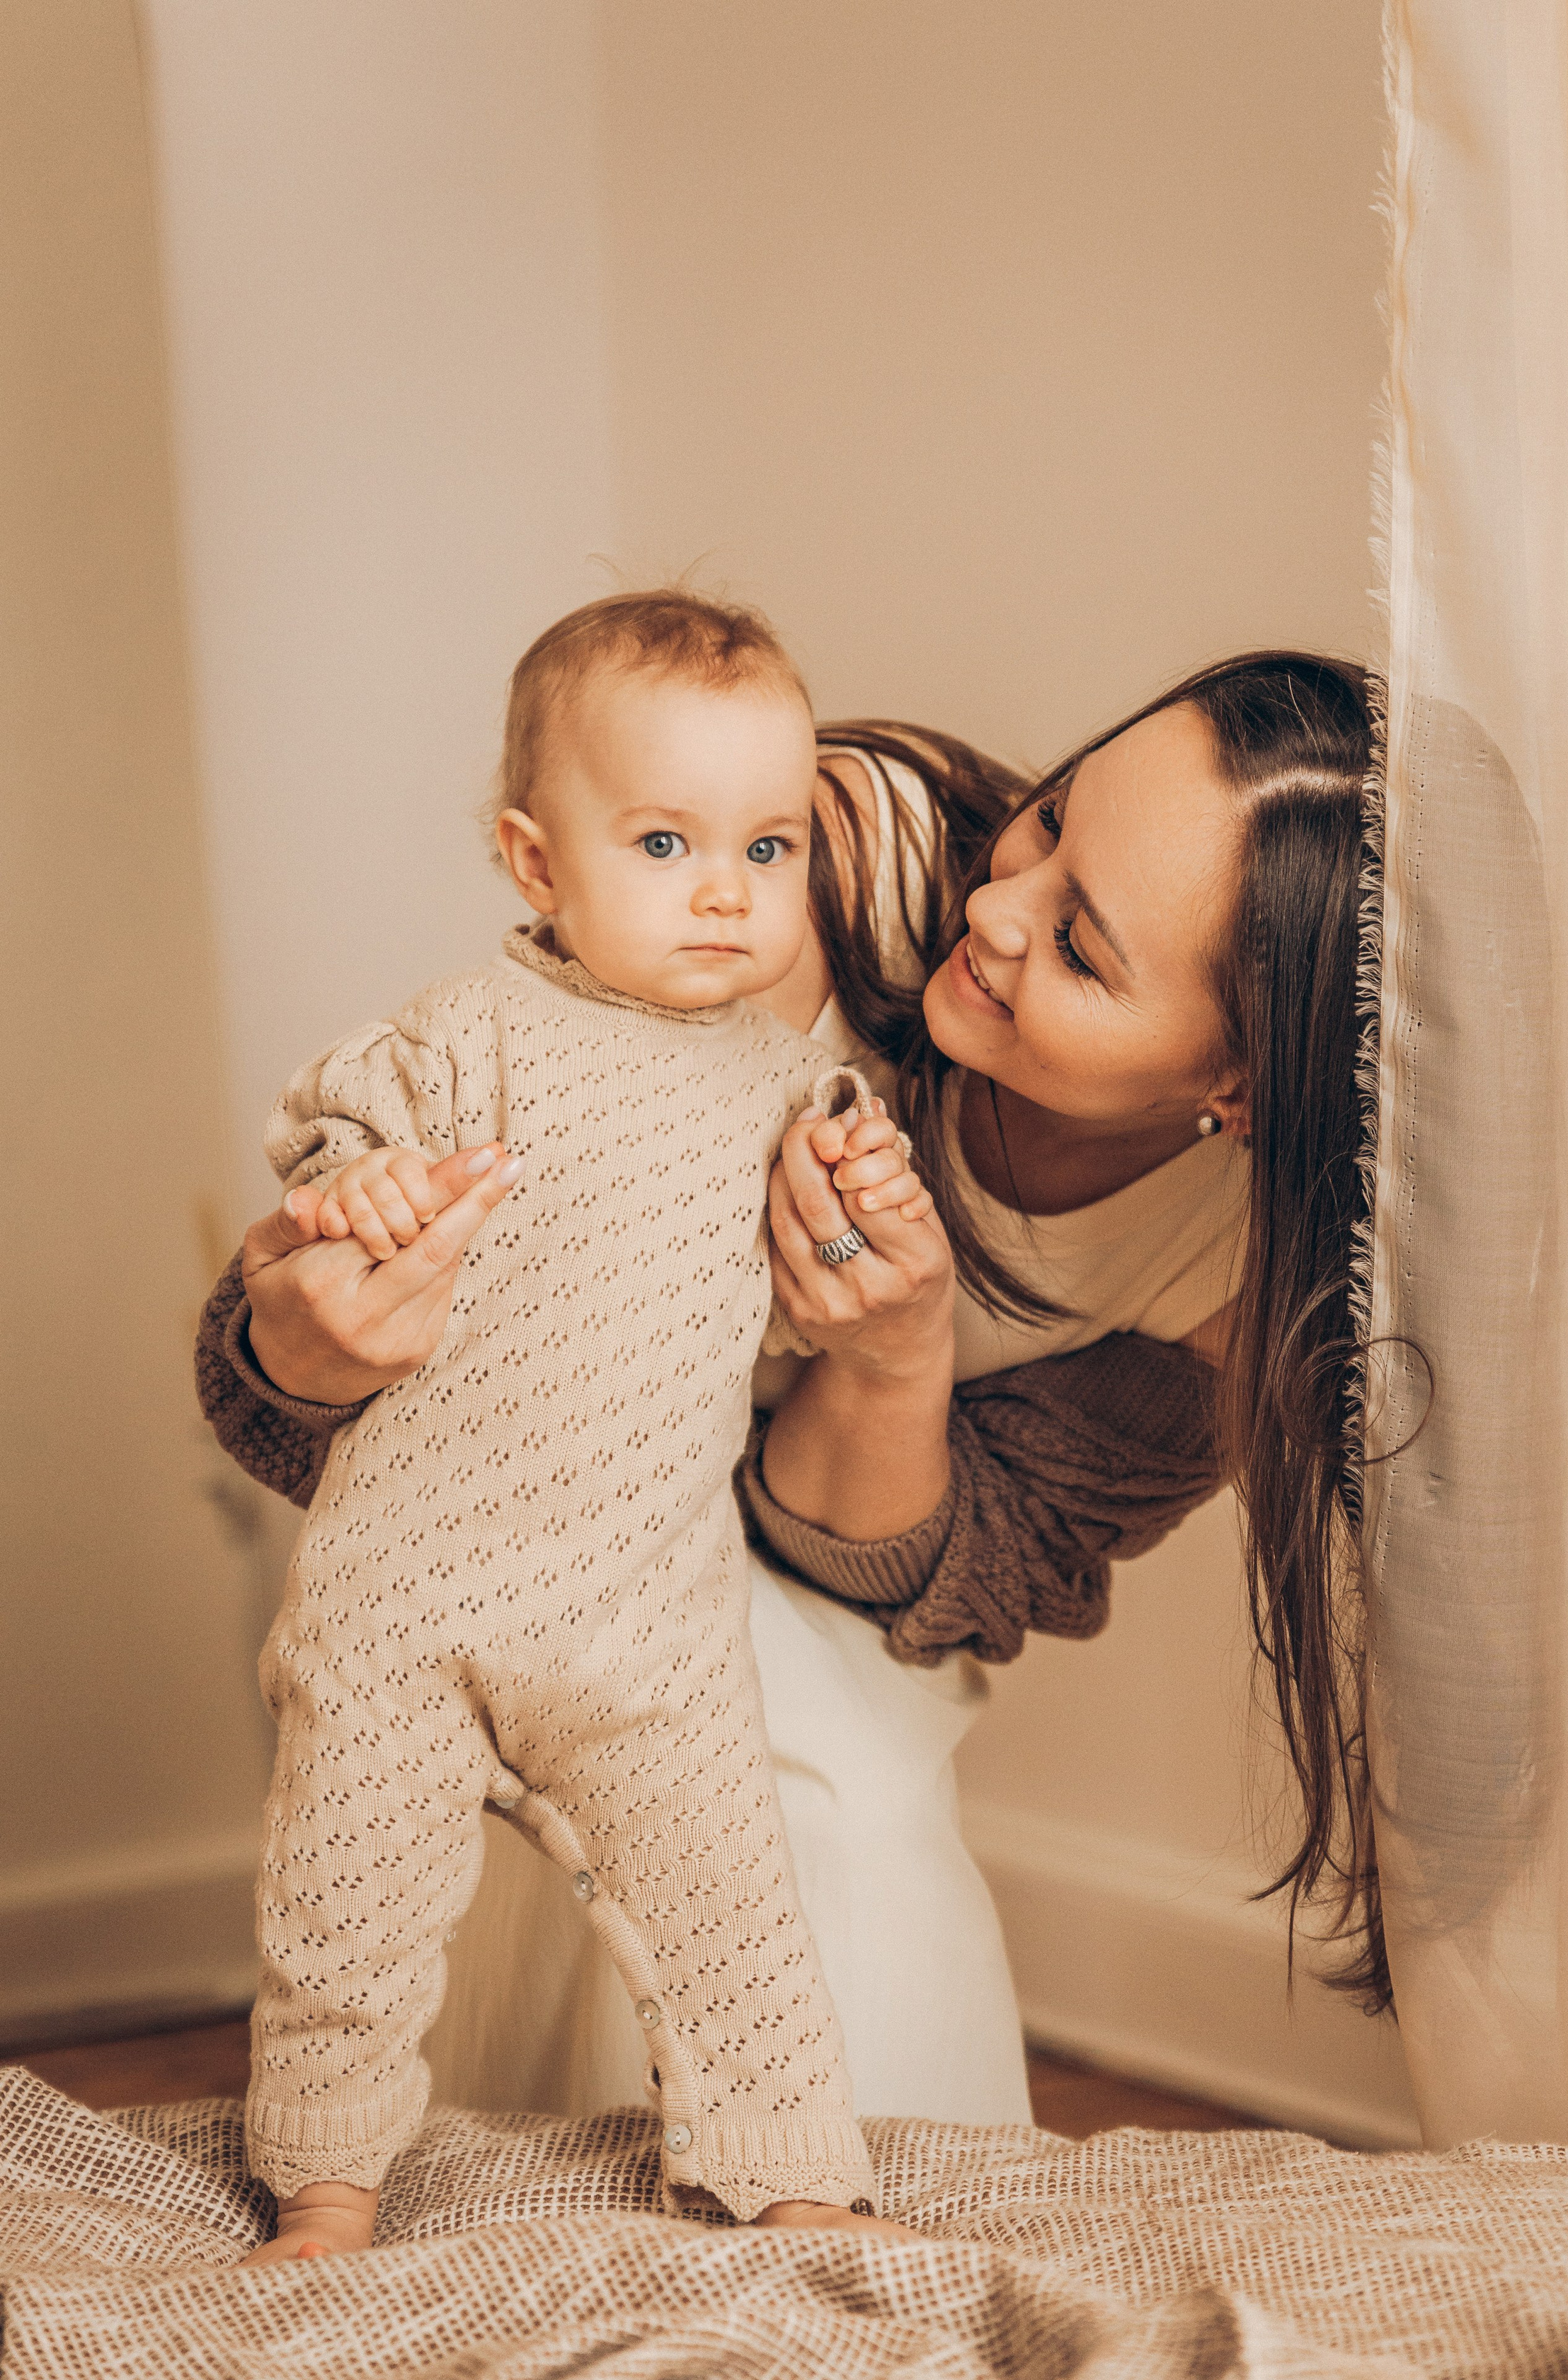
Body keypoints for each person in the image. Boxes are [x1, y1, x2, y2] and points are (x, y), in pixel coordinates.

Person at [198, 648, 1382, 2140]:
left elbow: (924, 1580)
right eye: (1050, 819)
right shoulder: (816, 866)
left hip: (810, 1571)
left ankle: (850, 2231)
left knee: (826, 1794)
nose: (997, 910)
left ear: (1237, 1085)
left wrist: (889, 1356)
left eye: (1081, 950)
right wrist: (306, 1337)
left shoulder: (1244, 1275)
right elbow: (404, 1283)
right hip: (535, 1484)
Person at [238, 591, 926, 2265]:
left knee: (735, 1918)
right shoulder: (471, 1035)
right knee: (347, 1920)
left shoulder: (772, 1075)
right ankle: (327, 2193)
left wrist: (864, 1196)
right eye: (668, 840)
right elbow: (331, 1132)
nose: (724, 891)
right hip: (412, 1588)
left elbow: (832, 1216)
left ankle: (795, 2179)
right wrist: (363, 1187)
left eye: (767, 850)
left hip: (645, 1616)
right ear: (535, 864)